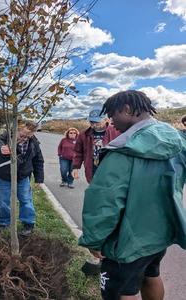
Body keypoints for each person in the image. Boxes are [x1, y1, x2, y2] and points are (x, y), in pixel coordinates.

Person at [78, 90, 186, 300]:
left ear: (127, 109)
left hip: (127, 240)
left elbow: (104, 201)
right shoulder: (176, 141)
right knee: (150, 275)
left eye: (112, 114)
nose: (111, 121)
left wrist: (94, 240)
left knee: (121, 291)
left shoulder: (122, 150)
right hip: (159, 233)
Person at [0, 120, 44, 236]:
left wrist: (39, 179)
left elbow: (38, 161)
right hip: (3, 176)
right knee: (3, 201)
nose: (24, 138)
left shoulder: (34, 142)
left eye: (28, 136)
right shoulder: (5, 136)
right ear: (17, 130)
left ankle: (28, 223)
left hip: (23, 177)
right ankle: (4, 223)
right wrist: (1, 149)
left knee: (26, 200)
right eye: (22, 135)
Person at [72, 107, 119, 184]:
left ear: (106, 120)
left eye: (97, 122)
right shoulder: (84, 134)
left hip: (111, 169)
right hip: (92, 168)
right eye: (91, 122)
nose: (94, 125)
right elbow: (78, 152)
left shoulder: (116, 131)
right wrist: (75, 167)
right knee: (94, 190)